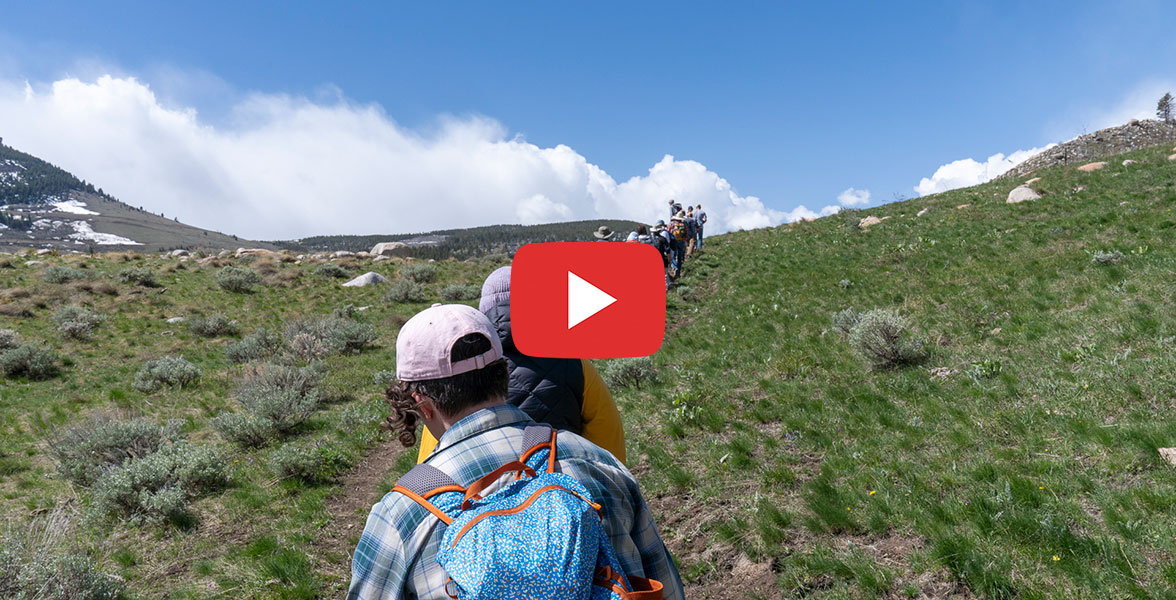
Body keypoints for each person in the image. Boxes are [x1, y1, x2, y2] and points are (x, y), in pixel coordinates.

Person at [348, 304, 685, 600]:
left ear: (421, 404)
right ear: (504, 374)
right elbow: (666, 588)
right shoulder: (596, 462)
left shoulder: (400, 515)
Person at [414, 267, 627, 465]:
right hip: (563, 484)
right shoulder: (574, 362)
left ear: (483, 310)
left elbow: (435, 445)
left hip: (479, 487)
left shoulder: (459, 366)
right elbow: (606, 430)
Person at [668, 212, 688, 278]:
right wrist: (685, 240)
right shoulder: (683, 225)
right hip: (681, 242)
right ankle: (678, 271)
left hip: (674, 241)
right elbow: (686, 234)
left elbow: (668, 231)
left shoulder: (672, 224)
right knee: (680, 257)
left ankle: (675, 267)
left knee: (674, 256)